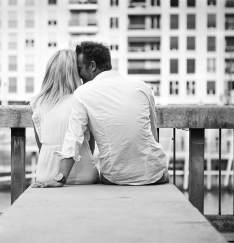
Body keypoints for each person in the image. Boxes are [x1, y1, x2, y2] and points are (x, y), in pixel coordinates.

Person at [33, 41, 168, 188]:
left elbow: (73, 137)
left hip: (114, 177)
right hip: (155, 174)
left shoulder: (83, 93)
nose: (79, 76)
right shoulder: (142, 87)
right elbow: (153, 135)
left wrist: (60, 178)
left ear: (92, 66)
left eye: (79, 70)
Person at [29, 49, 99, 185]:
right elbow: (90, 146)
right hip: (84, 174)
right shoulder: (83, 99)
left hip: (46, 174)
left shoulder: (36, 103)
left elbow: (41, 146)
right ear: (75, 73)